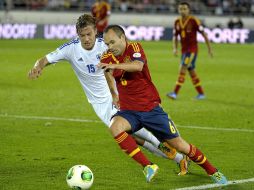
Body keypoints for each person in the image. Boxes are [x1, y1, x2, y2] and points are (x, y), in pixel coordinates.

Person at [27, 14, 189, 176]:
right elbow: (44, 59)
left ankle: (174, 158)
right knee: (136, 138)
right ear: (78, 35)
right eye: (82, 35)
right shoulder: (70, 49)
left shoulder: (105, 45)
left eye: (89, 34)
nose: (86, 39)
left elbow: (128, 55)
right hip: (99, 105)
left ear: (95, 32)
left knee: (140, 134)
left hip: (118, 97)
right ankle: (177, 157)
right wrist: (37, 67)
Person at [98, 25, 228, 184]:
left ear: (122, 38)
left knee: (181, 146)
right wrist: (113, 94)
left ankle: (213, 171)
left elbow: (138, 66)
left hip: (150, 109)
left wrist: (114, 66)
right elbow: (107, 73)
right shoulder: (107, 57)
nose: (110, 47)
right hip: (129, 111)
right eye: (107, 44)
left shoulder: (134, 47)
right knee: (115, 127)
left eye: (112, 42)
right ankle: (148, 166)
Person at [166, 2, 213, 100]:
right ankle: (201, 94)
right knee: (191, 71)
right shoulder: (177, 22)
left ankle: (175, 93)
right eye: (181, 9)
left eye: (184, 9)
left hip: (192, 50)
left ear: (189, 10)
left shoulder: (194, 20)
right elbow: (175, 37)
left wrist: (209, 49)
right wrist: (174, 48)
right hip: (184, 51)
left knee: (183, 67)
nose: (182, 11)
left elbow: (204, 34)